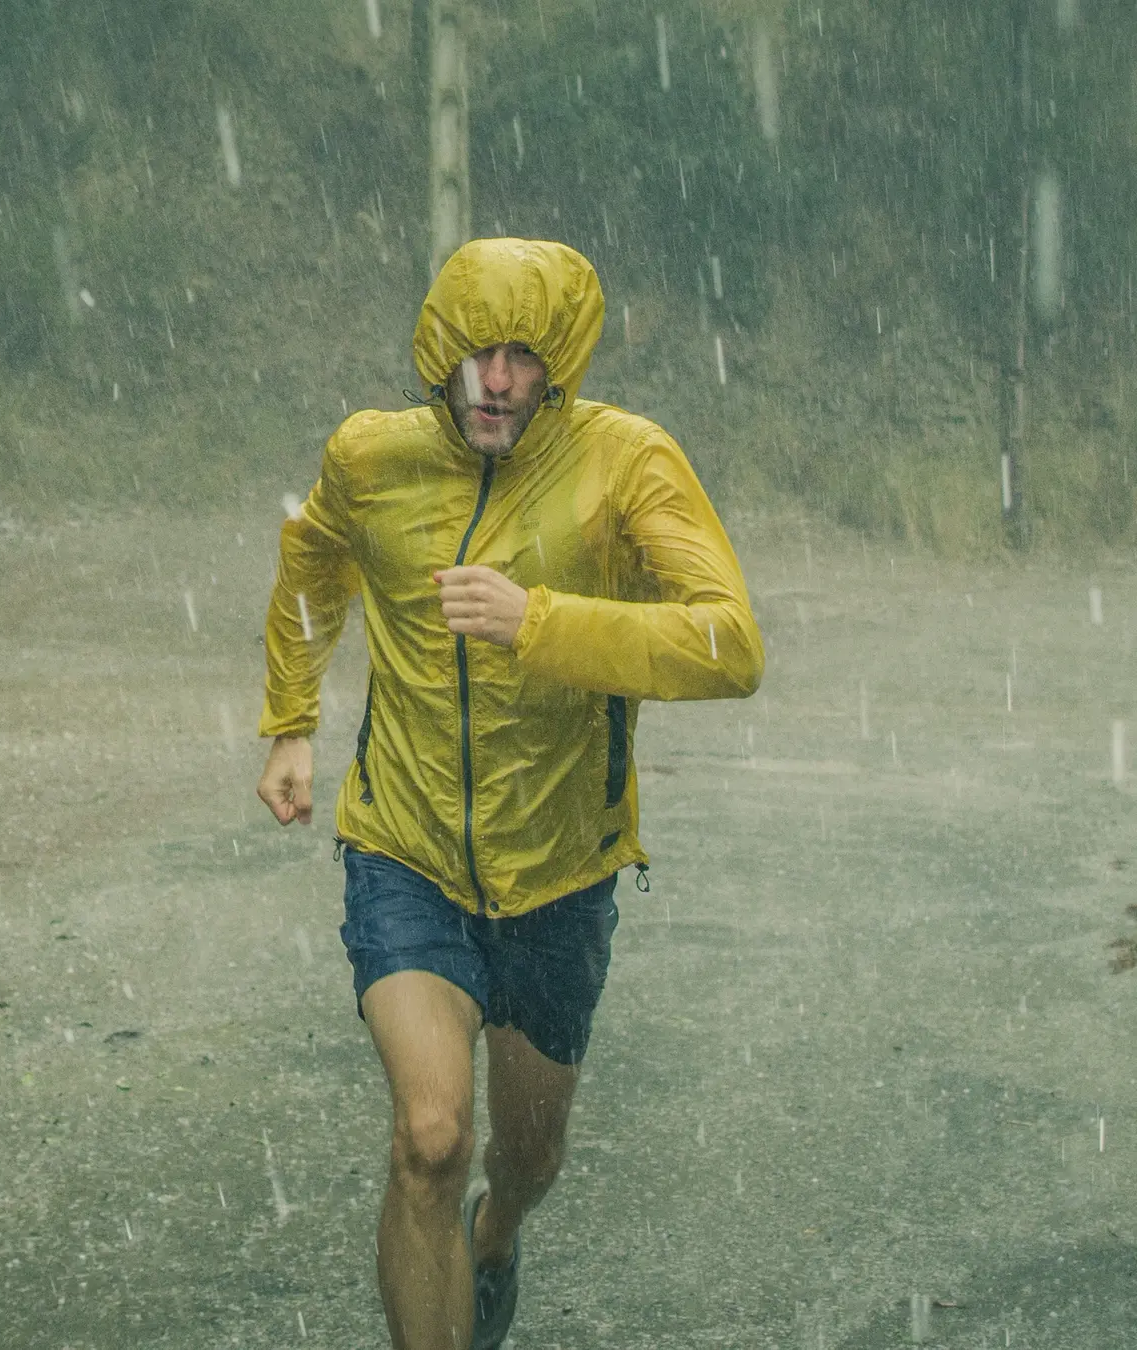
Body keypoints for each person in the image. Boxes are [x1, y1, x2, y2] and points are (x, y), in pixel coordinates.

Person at [253, 237, 764, 1350]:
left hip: (560, 874)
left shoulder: (624, 462)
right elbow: (313, 565)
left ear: (561, 366)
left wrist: (542, 623)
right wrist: (291, 721)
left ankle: (498, 1234)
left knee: (522, 1156)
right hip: (406, 850)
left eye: (526, 357)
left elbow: (730, 644)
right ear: (438, 351)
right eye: (479, 350)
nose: (498, 378)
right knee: (429, 1137)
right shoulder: (369, 457)